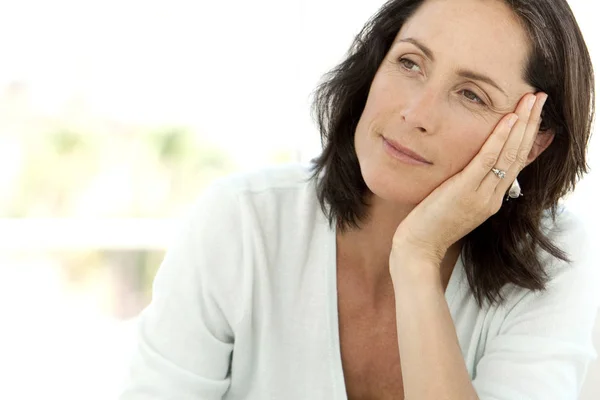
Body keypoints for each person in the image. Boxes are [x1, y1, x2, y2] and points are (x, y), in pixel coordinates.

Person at [119, 0, 599, 399]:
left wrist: (415, 259)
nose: (415, 113)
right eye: (410, 63)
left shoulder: (555, 262)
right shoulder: (245, 222)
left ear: (530, 142)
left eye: (470, 94)